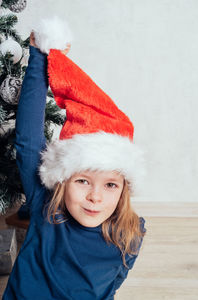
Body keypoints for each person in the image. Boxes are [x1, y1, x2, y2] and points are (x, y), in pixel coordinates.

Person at [3, 18, 146, 300]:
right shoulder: (46, 206)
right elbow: (28, 141)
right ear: (63, 179)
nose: (95, 197)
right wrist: (39, 57)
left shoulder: (131, 232)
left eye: (110, 185)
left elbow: (115, 281)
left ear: (124, 188)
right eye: (83, 180)